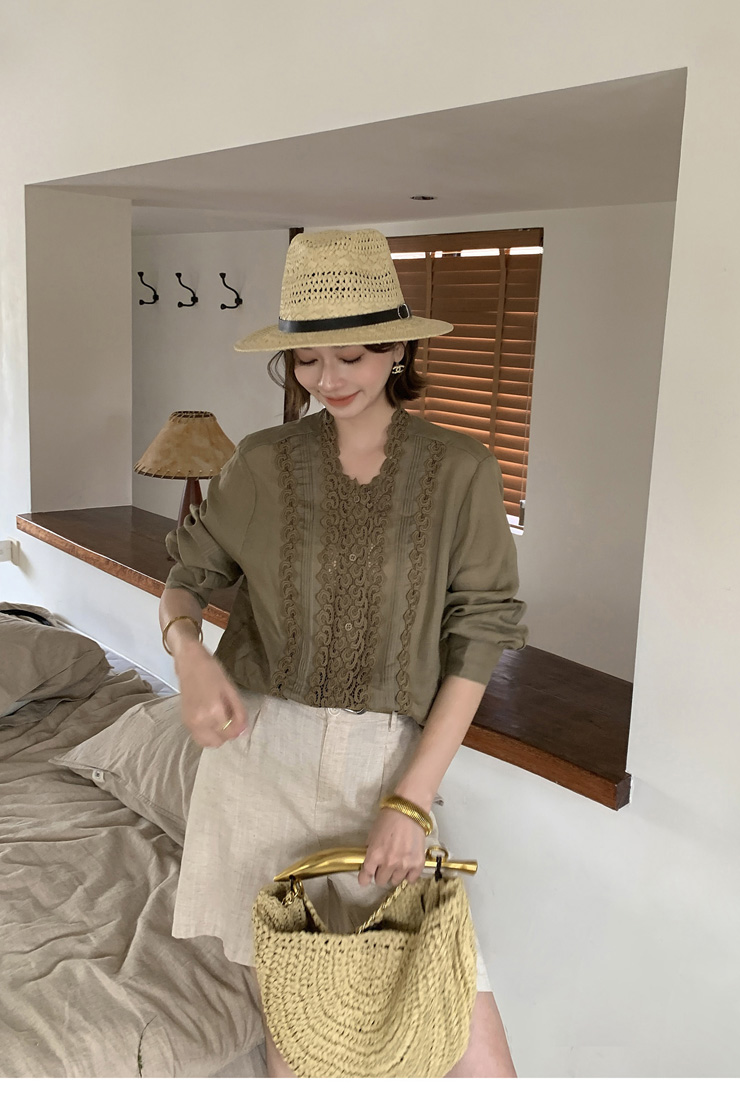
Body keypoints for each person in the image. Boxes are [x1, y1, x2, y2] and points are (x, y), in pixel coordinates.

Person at [158, 227, 528, 1078]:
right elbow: (186, 579)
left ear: (398, 349)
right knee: (300, 1023)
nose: (328, 380)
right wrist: (190, 654)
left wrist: (412, 798)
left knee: (468, 1036)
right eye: (307, 360)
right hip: (259, 761)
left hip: (386, 765)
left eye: (352, 357)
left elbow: (481, 633)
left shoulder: (462, 469)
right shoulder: (261, 461)